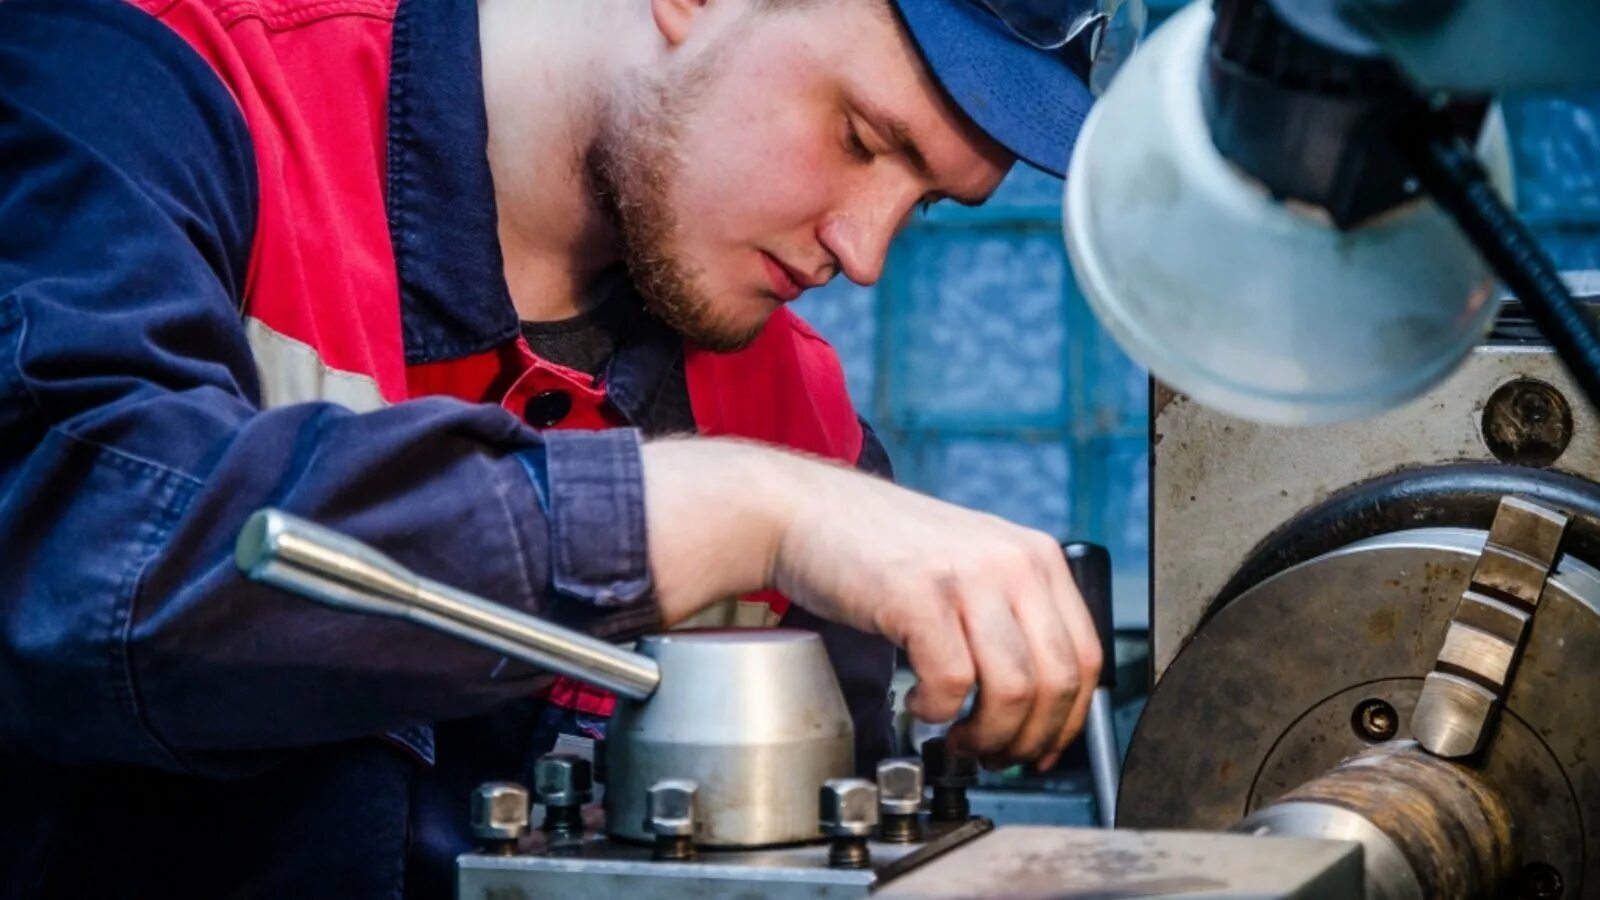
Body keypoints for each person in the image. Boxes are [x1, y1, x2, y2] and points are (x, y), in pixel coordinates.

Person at [0, 0, 1105, 894]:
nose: (863, 253)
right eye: (862, 139)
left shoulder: (793, 415)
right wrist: (726, 515)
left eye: (922, 206)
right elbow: (92, 574)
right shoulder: (155, 83)